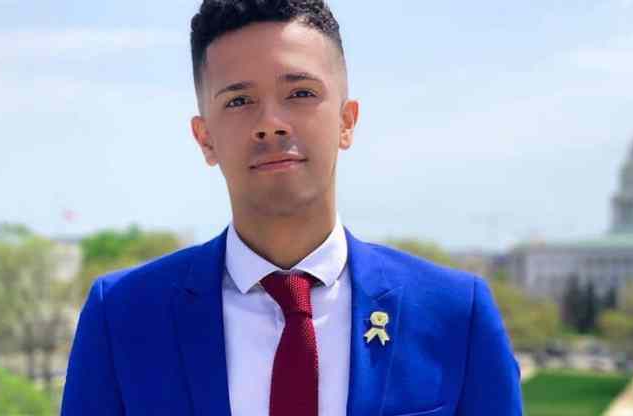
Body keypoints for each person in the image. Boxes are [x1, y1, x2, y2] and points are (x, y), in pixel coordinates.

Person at [60, 1, 523, 415]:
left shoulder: (456, 314)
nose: (270, 124)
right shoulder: (121, 317)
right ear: (205, 139)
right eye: (239, 100)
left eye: (300, 93)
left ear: (346, 121)